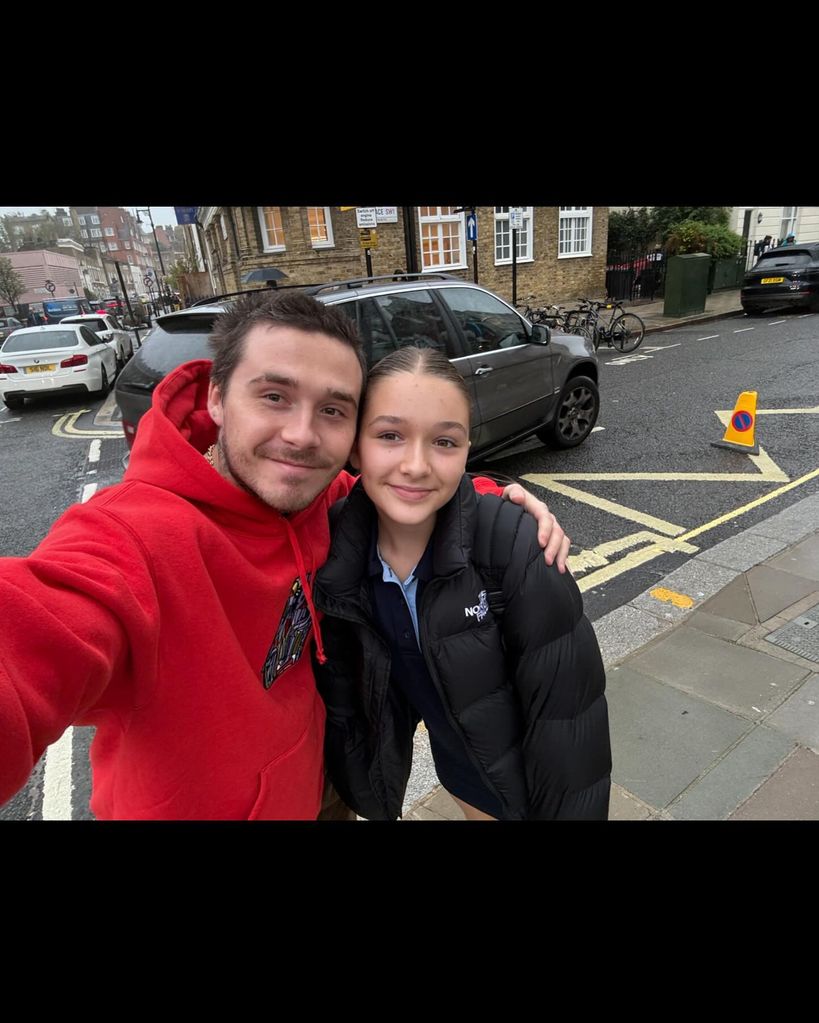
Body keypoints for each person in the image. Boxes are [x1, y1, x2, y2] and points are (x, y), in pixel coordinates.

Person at [0, 291, 569, 821]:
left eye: (333, 410)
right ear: (217, 398)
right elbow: (32, 634)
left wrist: (496, 507)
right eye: (274, 396)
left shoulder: (324, 500)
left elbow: (400, 496)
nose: (302, 435)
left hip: (322, 791)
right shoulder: (129, 539)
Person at [313, 347, 611, 821]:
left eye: (444, 442)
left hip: (537, 783)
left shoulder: (517, 546)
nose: (416, 465)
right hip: (467, 773)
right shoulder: (338, 551)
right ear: (355, 447)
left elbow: (570, 720)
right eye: (390, 435)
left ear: (468, 450)